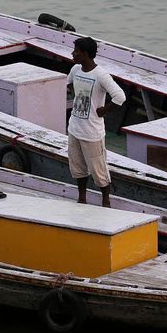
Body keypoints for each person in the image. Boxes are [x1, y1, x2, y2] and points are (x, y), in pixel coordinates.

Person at [67, 36, 125, 207]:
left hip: (92, 133)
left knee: (98, 170)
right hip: (74, 128)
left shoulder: (101, 75)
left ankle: (106, 200)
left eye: (76, 51)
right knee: (77, 168)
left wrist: (104, 110)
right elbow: (69, 82)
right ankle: (82, 198)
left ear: (84, 54)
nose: (72, 54)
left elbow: (120, 96)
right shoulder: (76, 69)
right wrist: (75, 95)